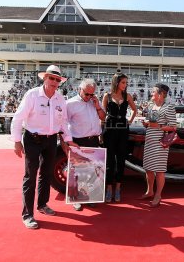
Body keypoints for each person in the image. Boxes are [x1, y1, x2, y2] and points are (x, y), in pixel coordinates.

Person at [10, 65, 77, 229]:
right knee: (30, 176)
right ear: (45, 78)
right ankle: (27, 214)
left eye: (57, 79)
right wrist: (17, 141)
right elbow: (18, 119)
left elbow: (63, 123)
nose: (54, 82)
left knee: (46, 174)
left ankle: (42, 205)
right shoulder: (32, 95)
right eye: (51, 78)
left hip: (51, 140)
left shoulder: (60, 99)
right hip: (32, 139)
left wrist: (68, 140)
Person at [66, 78, 106, 211]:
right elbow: (63, 124)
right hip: (78, 140)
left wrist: (97, 106)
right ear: (80, 89)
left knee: (91, 171)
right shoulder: (70, 104)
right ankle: (75, 199)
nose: (89, 97)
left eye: (91, 94)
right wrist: (66, 142)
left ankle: (89, 197)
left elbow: (103, 117)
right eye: (86, 94)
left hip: (93, 139)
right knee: (76, 171)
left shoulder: (94, 102)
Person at [102, 72, 137, 203]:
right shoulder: (107, 95)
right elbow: (102, 114)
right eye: (123, 82)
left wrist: (129, 121)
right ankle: (109, 188)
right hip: (109, 129)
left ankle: (118, 188)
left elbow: (135, 110)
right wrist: (100, 132)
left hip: (123, 129)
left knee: (121, 160)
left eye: (126, 83)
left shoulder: (127, 96)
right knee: (109, 160)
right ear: (116, 82)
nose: (125, 85)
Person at [141, 83, 177, 208]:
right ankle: (149, 190)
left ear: (161, 94)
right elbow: (151, 122)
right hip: (149, 141)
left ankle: (158, 195)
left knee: (159, 170)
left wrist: (160, 127)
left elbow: (173, 127)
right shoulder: (151, 105)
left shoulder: (169, 107)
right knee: (148, 168)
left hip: (160, 143)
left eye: (153, 92)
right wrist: (146, 123)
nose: (151, 94)